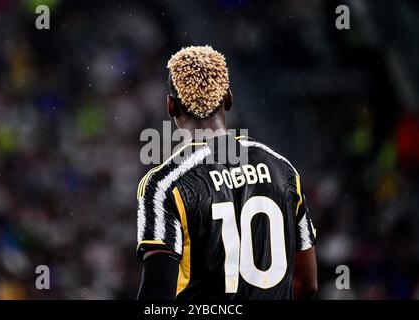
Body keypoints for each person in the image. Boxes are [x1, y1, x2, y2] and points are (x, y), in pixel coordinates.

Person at [136, 46, 317, 300]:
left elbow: (157, 295)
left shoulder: (165, 184)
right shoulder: (284, 170)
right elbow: (306, 284)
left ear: (170, 106)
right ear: (229, 98)